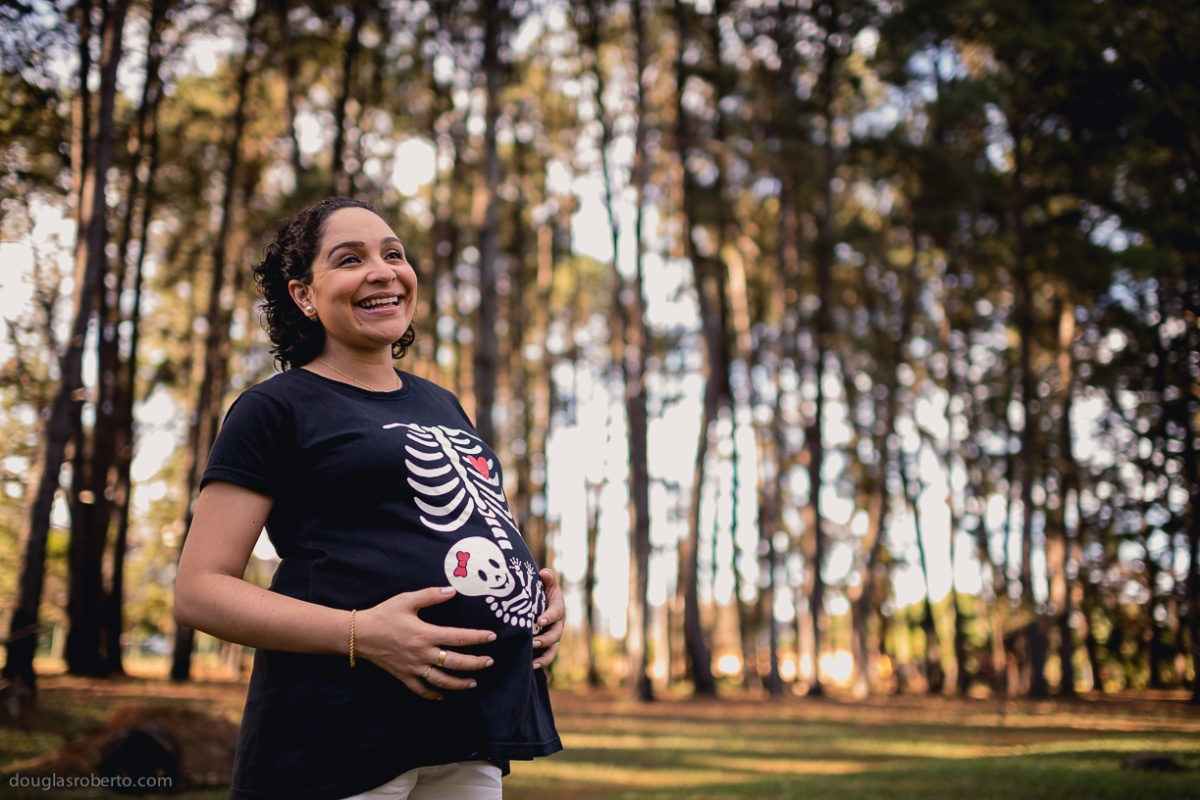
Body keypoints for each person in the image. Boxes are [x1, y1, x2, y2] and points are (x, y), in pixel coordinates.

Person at [174, 196, 563, 800]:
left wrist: (530, 601)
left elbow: (465, 530)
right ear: (304, 295)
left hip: (467, 731)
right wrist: (361, 632)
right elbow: (199, 591)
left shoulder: (441, 403)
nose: (383, 270)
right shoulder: (273, 409)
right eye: (350, 259)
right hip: (337, 735)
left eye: (394, 254)